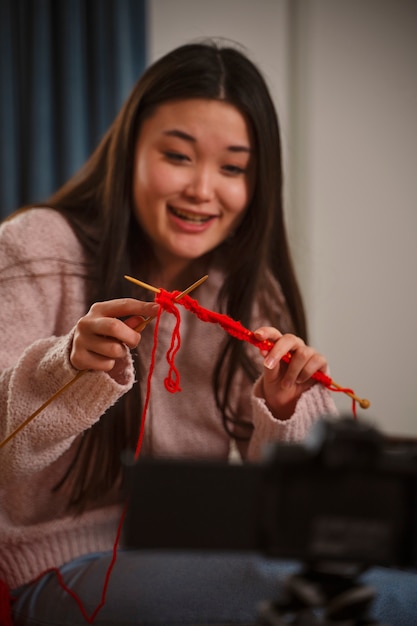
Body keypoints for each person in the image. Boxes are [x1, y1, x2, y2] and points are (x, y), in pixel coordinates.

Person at [0, 39, 412, 626]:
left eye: (233, 168)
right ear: (129, 153)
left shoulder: (248, 289)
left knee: (384, 582)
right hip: (58, 564)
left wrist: (284, 408)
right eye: (178, 156)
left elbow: (301, 508)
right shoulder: (37, 247)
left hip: (197, 551)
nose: (202, 189)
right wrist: (68, 366)